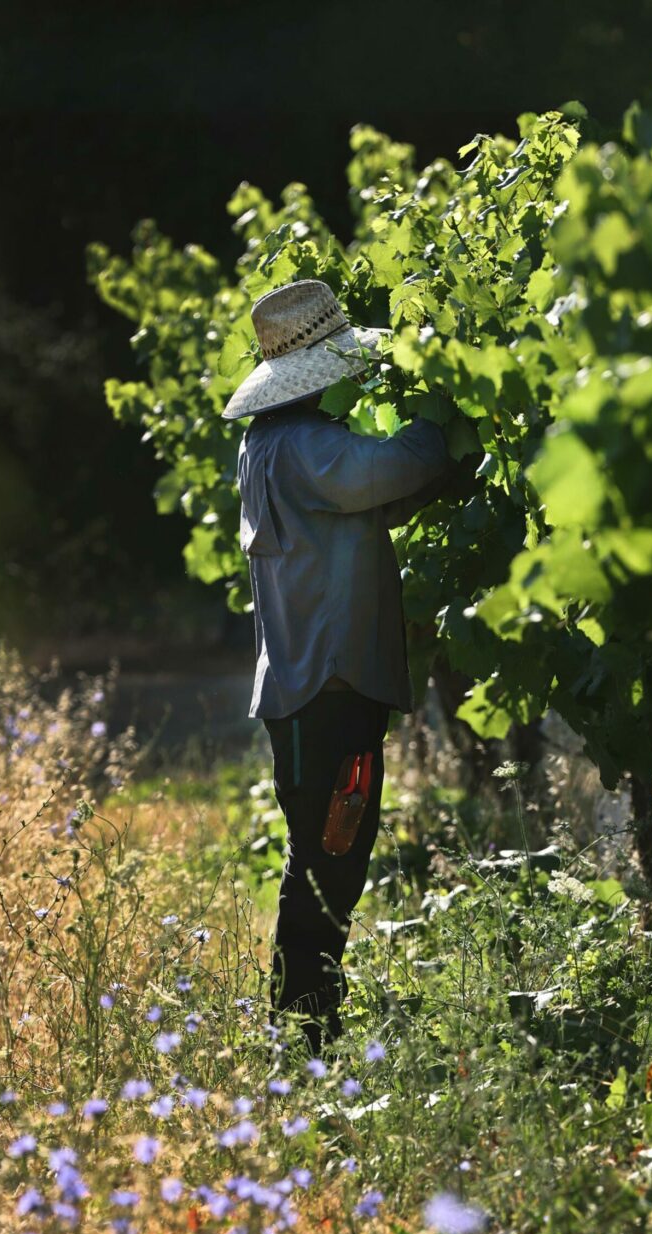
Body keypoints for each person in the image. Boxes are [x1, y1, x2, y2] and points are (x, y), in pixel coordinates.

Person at [222, 278, 477, 1056]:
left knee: (323, 851)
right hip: (329, 688)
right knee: (330, 856)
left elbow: (364, 507)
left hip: (311, 689)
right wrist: (450, 414)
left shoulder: (268, 447)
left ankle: (304, 1021)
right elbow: (400, 464)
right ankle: (305, 1032)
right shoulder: (309, 447)